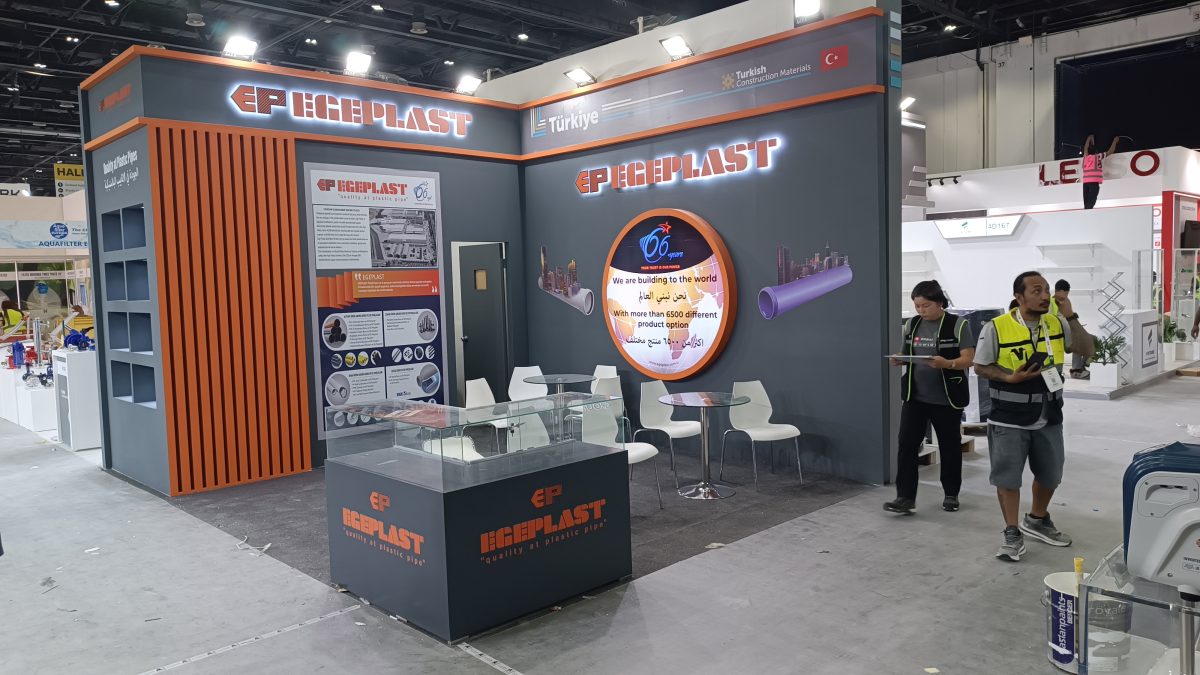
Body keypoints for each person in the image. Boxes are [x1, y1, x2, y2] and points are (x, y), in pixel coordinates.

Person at [975, 272, 1073, 562]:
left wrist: (1070, 314)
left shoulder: (1056, 323)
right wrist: (1010, 378)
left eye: (1047, 290)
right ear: (1019, 297)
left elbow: (1085, 348)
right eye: (1036, 290)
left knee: (1051, 474)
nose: (1045, 296)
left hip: (1049, 413)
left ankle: (1037, 519)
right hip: (1008, 416)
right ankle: (1012, 532)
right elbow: (980, 367)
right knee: (1008, 478)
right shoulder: (996, 327)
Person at [885, 281, 975, 514]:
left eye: (926, 305)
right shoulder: (912, 324)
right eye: (917, 306)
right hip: (915, 397)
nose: (921, 310)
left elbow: (968, 359)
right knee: (907, 445)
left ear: (939, 303)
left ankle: (951, 494)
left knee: (950, 446)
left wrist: (948, 363)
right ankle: (905, 497)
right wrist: (899, 358)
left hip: (946, 399)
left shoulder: (958, 325)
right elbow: (907, 352)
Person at [1052, 280, 1096, 379]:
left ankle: (1080, 367)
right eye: (1066, 293)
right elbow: (1054, 320)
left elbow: (1067, 315)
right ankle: (1077, 369)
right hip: (1062, 334)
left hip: (1069, 330)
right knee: (1081, 341)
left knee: (1092, 339)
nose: (1067, 295)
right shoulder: (1053, 303)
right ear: (1061, 291)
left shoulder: (1064, 301)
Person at [1082, 134, 1121, 210]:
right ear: (1096, 152)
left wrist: (1089, 138)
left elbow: (1085, 148)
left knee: (1087, 204)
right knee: (1091, 203)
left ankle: (1086, 214)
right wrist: (1115, 141)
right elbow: (1110, 151)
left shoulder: (1086, 157)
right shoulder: (1098, 157)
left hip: (1086, 182)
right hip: (1094, 182)